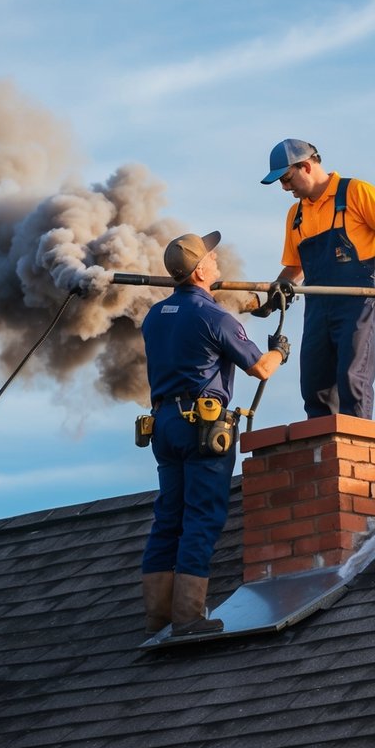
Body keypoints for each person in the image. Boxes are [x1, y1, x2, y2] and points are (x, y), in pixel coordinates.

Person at [140, 231, 290, 636]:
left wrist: (256, 305)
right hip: (202, 427)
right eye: (210, 255)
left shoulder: (154, 317)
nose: (217, 257)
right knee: (202, 517)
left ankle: (157, 616)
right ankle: (188, 617)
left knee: (168, 517)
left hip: (164, 425)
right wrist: (279, 349)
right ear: (200, 269)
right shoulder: (214, 317)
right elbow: (260, 368)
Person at [258, 139, 375, 420]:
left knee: (352, 377)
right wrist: (270, 298)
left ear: (305, 166)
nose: (285, 188)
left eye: (287, 179)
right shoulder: (296, 215)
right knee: (315, 385)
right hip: (317, 306)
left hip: (357, 300)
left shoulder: (355, 192)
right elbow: (294, 269)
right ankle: (321, 453)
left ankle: (357, 447)